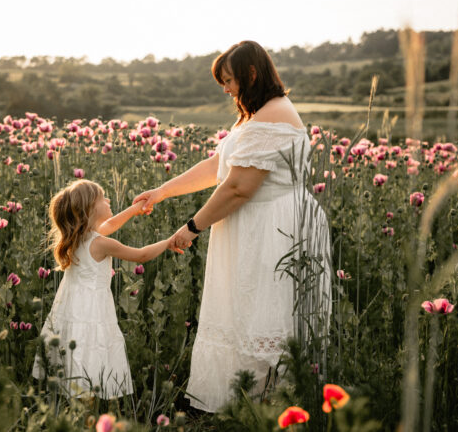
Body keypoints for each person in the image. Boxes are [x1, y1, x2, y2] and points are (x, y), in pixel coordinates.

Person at [134, 40, 332, 412]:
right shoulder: (258, 115)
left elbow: (239, 188)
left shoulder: (272, 116)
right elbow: (217, 167)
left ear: (251, 75)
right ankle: (237, 399)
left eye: (228, 80)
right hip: (257, 224)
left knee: (264, 313)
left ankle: (264, 404)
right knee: (244, 309)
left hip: (274, 229)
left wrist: (192, 227)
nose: (225, 90)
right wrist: (161, 192)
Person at [32, 179, 172, 398]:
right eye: (102, 198)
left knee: (78, 347)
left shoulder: (78, 237)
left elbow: (111, 224)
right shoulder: (100, 243)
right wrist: (170, 241)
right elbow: (142, 255)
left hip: (73, 307)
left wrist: (135, 209)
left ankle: (76, 399)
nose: (108, 200)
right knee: (92, 347)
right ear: (89, 209)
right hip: (92, 309)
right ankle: (87, 402)